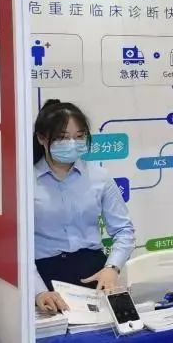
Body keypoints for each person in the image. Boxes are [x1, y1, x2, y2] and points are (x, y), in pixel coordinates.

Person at [33, 100, 135, 314]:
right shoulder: (25, 182)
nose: (72, 143)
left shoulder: (99, 177)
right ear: (42, 138)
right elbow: (14, 247)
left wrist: (112, 268)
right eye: (62, 137)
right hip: (45, 275)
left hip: (95, 273)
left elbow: (124, 230)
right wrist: (38, 291)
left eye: (79, 136)